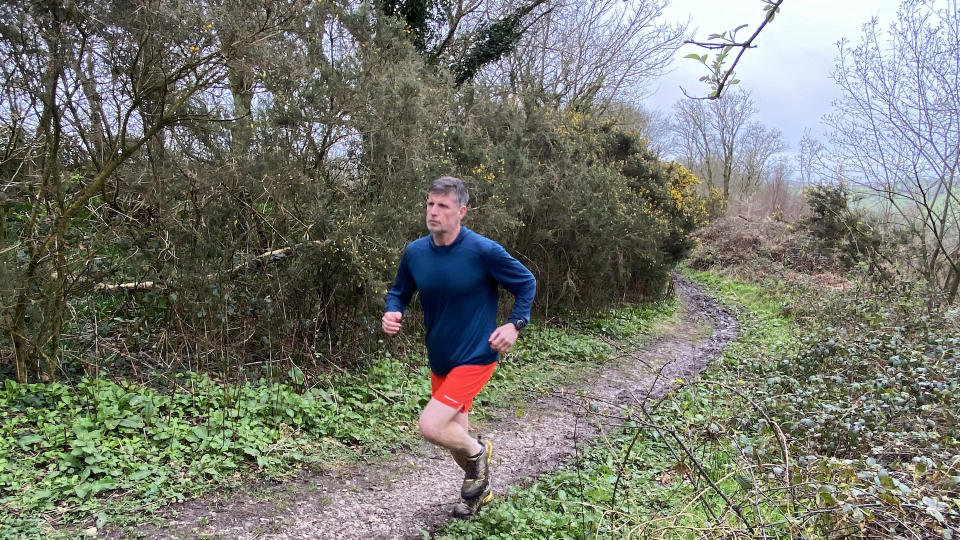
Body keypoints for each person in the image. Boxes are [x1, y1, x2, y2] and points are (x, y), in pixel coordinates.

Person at [382, 176, 536, 517]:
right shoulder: (415, 253)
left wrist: (514, 324)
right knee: (455, 437)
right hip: (441, 357)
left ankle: (481, 451)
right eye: (430, 204)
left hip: (478, 354)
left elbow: (526, 282)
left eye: (443, 206)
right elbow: (399, 292)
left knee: (432, 427)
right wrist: (393, 311)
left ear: (461, 212)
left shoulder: (483, 251)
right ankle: (480, 497)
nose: (433, 212)